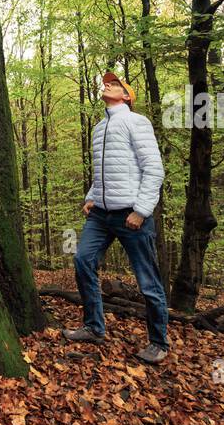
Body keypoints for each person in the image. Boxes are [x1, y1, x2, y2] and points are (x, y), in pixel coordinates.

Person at [63, 70, 169, 363]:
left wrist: (142, 210)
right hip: (100, 215)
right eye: (107, 82)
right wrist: (90, 197)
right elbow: (103, 172)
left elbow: (154, 169)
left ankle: (159, 343)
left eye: (116, 84)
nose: (108, 84)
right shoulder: (99, 128)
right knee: (83, 260)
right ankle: (95, 327)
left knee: (147, 281)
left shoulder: (137, 122)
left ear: (126, 96)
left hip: (131, 216)